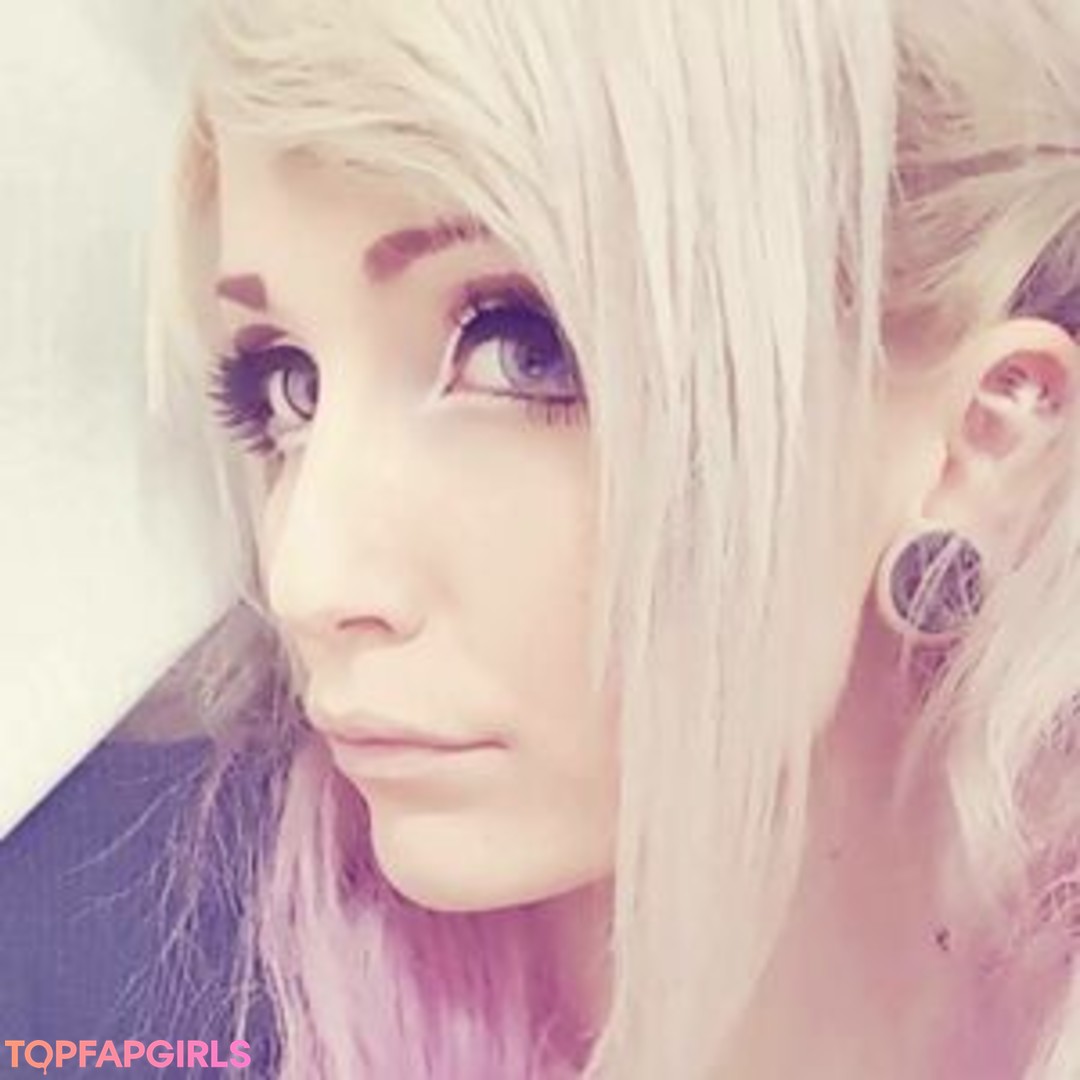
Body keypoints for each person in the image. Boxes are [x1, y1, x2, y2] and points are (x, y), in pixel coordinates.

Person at [147, 0, 1080, 1076]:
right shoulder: (124, 991)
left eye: (521, 351)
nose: (308, 579)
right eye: (288, 385)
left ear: (983, 440)